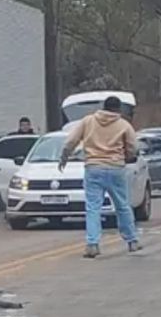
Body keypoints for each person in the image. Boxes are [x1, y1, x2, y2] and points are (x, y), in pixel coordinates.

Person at [58, 96, 141, 258]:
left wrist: (64, 157)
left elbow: (71, 141)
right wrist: (127, 156)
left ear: (103, 107)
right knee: (122, 205)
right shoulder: (124, 125)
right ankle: (132, 241)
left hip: (94, 167)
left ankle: (92, 244)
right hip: (116, 168)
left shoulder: (88, 121)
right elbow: (133, 147)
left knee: (93, 207)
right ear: (118, 109)